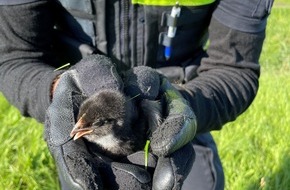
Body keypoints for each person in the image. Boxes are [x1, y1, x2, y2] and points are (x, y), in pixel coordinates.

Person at [0, 0, 274, 189]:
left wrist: (181, 107)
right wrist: (58, 91)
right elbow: (15, 57)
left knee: (184, 178)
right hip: (80, 109)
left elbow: (234, 68)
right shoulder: (81, 125)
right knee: (84, 180)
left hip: (181, 110)